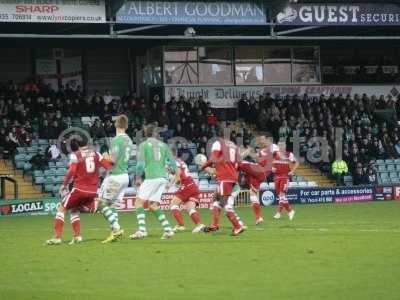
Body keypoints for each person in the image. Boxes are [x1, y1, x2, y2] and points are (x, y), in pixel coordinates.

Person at [46, 137, 112, 245]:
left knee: (61, 208)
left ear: (77, 144)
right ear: (87, 143)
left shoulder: (75, 155)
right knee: (74, 209)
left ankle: (57, 238)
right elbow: (108, 167)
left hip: (79, 189)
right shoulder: (96, 154)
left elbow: (71, 171)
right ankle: (77, 236)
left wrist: (64, 185)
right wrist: (110, 159)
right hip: (93, 191)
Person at [130, 124, 176, 240]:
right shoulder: (164, 145)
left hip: (152, 177)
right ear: (156, 134)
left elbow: (140, 164)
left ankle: (142, 230)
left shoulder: (144, 145)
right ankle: (168, 230)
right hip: (163, 178)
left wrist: (138, 177)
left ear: (145, 134)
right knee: (153, 205)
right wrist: (175, 175)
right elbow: (173, 163)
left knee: (138, 202)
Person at [97, 115, 133, 243]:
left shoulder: (116, 140)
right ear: (126, 126)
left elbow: (113, 160)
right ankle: (114, 233)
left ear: (116, 125)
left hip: (115, 176)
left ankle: (116, 229)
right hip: (125, 176)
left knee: (100, 204)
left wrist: (104, 156)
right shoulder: (129, 139)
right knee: (112, 205)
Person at [201, 130, 245, 236]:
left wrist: (203, 166)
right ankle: (214, 225)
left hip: (224, 178)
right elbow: (239, 164)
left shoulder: (218, 143)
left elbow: (213, 158)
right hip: (233, 177)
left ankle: (237, 226)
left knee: (225, 204)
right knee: (217, 201)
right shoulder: (234, 146)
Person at [238, 133, 277, 225]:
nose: (261, 141)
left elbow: (277, 155)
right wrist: (249, 151)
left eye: (262, 139)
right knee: (253, 193)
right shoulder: (263, 150)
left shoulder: (273, 146)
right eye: (260, 139)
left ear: (268, 140)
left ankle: (226, 174)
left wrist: (273, 165)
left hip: (260, 170)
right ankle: (258, 217)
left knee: (239, 162)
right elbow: (255, 157)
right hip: (259, 174)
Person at [169, 153, 205, 233]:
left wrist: (175, 182)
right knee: (190, 208)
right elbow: (178, 172)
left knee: (173, 204)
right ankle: (200, 225)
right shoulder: (180, 162)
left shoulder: (175, 162)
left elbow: (179, 173)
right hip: (192, 185)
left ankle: (181, 225)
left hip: (186, 185)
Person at [272, 141, 299, 221]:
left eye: (282, 145)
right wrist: (272, 168)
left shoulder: (289, 154)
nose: (281, 147)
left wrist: (292, 171)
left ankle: (288, 211)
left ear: (285, 146)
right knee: (280, 196)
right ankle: (282, 212)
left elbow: (297, 162)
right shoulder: (274, 154)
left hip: (284, 177)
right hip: (276, 177)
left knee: (282, 195)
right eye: (279, 145)